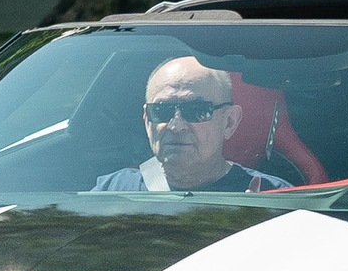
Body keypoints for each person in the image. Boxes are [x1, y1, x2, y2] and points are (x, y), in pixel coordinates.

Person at [93, 57, 285, 193]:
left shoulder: (272, 197)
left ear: (229, 121)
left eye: (196, 110)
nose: (176, 126)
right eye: (161, 110)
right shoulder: (111, 191)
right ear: (146, 119)